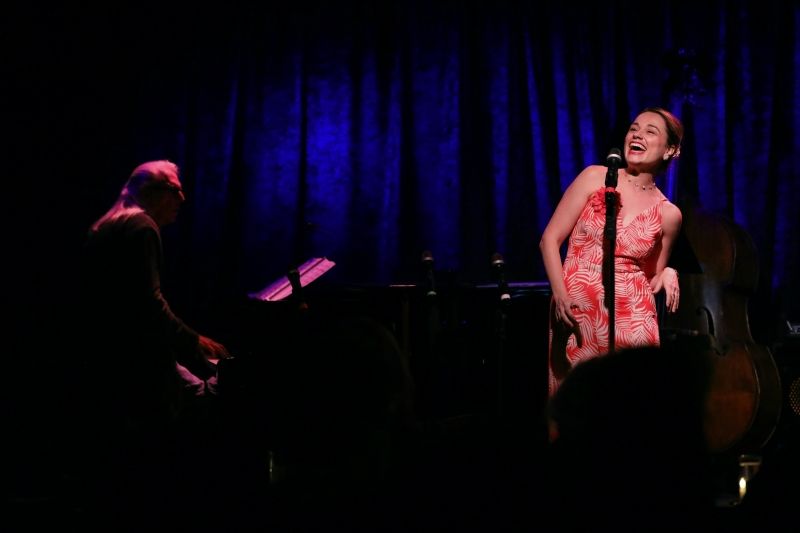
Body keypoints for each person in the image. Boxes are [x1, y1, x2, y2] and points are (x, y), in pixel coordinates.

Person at [78, 160, 231, 528]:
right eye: (175, 190)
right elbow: (149, 303)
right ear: (151, 193)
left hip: (109, 362)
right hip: (139, 366)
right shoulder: (142, 226)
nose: (183, 198)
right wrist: (195, 343)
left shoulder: (104, 225)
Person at [539, 107, 683, 396]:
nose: (637, 135)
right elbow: (550, 239)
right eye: (634, 128)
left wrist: (668, 272)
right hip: (578, 312)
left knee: (629, 410)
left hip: (634, 318)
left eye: (650, 131)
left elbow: (651, 277)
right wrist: (560, 293)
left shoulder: (669, 214)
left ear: (670, 150)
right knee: (576, 409)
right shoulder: (596, 177)